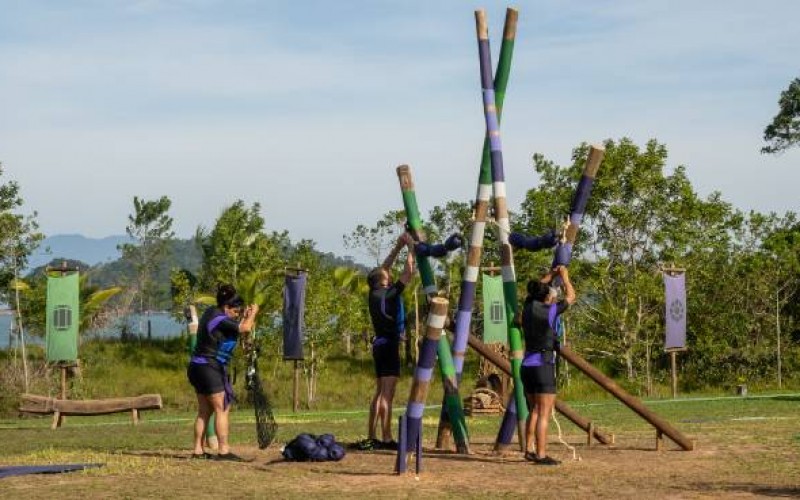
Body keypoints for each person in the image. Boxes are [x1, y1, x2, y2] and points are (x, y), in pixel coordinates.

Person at [187, 284, 259, 461]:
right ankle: (224, 450)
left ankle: (198, 450)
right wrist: (254, 313)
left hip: (197, 366)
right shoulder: (219, 318)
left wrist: (246, 316)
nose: (237, 314)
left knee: (205, 410)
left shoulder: (212, 313)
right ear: (226, 307)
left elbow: (239, 327)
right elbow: (245, 329)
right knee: (223, 408)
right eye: (235, 311)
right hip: (209, 367)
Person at [519, 265, 576, 465]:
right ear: (546, 298)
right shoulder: (550, 311)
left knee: (534, 410)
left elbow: (536, 290)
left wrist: (550, 275)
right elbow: (571, 297)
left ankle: (528, 449)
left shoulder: (527, 308)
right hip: (543, 365)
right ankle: (541, 455)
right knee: (543, 413)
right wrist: (565, 278)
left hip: (526, 366)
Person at [365, 232, 415, 450]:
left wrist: (398, 247)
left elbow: (384, 268)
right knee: (388, 392)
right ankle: (386, 437)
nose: (389, 273)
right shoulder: (390, 294)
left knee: (379, 391)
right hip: (389, 343)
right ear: (384, 280)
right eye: (387, 274)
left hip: (378, 344)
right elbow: (408, 272)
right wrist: (412, 247)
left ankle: (372, 435)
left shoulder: (373, 293)